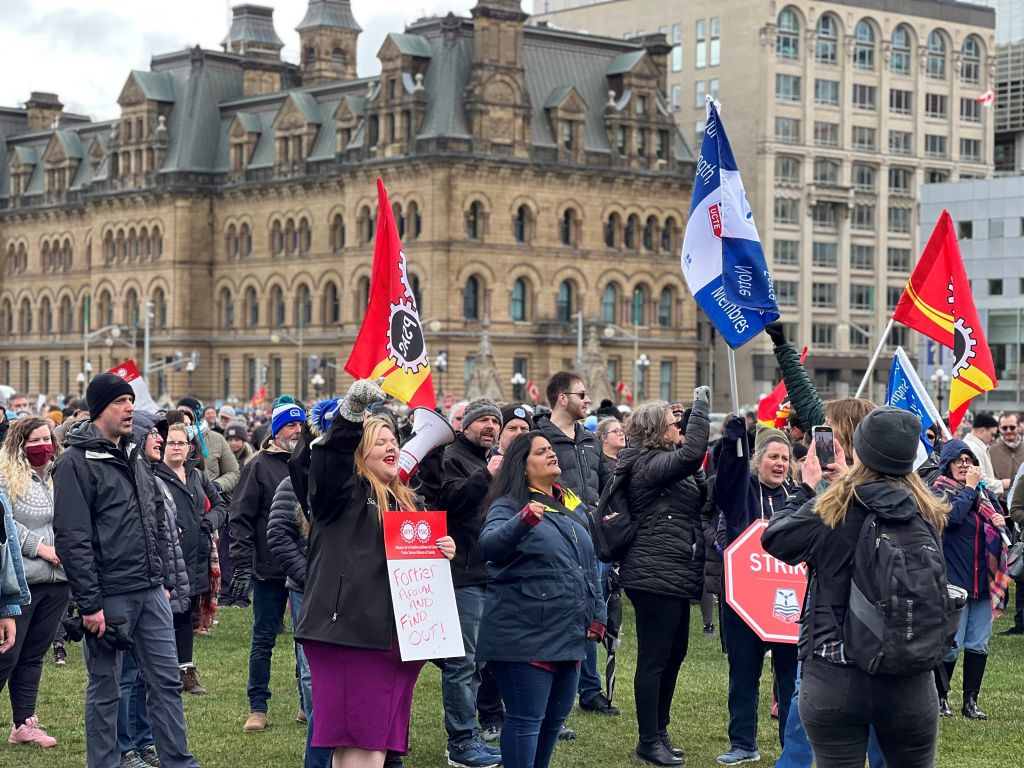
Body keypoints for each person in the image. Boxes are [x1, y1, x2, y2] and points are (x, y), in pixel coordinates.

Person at [762, 407, 947, 768]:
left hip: (835, 671)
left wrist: (805, 487)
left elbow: (776, 538)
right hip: (909, 672)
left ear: (858, 451)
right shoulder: (928, 511)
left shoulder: (833, 507)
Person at [296, 380, 455, 768]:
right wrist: (350, 415)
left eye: (393, 440)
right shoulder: (343, 493)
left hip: (394, 638)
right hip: (351, 634)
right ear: (358, 451)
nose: (391, 447)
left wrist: (439, 553)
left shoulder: (405, 502)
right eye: (380, 440)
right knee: (362, 745)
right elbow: (329, 460)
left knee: (374, 746)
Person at [52, 372, 200, 768]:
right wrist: (89, 604)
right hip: (109, 596)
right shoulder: (75, 463)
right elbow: (72, 538)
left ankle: (178, 761)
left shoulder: (135, 456)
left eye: (131, 401)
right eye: (120, 401)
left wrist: (164, 580)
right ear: (100, 408)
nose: (130, 408)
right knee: (106, 688)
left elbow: (153, 519)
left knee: (166, 683)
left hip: (151, 590)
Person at [476, 431, 606, 768]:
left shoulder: (569, 505)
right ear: (522, 466)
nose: (551, 454)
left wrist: (599, 616)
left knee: (552, 722)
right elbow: (490, 546)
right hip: (523, 633)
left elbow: (588, 566)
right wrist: (522, 521)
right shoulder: (509, 505)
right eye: (541, 451)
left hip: (567, 633)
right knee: (526, 720)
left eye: (551, 449)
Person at [617, 391, 710, 765]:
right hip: (653, 572)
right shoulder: (647, 462)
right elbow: (691, 456)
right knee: (655, 659)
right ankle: (648, 739)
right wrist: (701, 408)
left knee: (674, 655)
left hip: (673, 572)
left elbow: (700, 486)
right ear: (657, 430)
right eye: (674, 424)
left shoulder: (668, 462)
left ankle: (660, 730)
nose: (680, 428)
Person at [714, 418, 797, 765]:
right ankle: (743, 743)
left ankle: (791, 745)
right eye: (772, 456)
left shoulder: (796, 497)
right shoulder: (742, 492)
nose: (779, 463)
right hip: (744, 603)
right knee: (744, 674)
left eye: (785, 458)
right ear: (757, 460)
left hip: (788, 604)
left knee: (791, 680)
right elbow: (724, 487)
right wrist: (733, 444)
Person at [534, 372, 613, 717]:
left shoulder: (591, 440)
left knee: (592, 609)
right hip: (558, 537)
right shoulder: (541, 440)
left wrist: (609, 516)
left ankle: (590, 689)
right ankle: (556, 683)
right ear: (562, 398)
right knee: (562, 612)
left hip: (593, 537)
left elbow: (608, 484)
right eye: (582, 394)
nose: (587, 400)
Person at [118, 411, 191, 768]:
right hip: (136, 589)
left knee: (155, 679)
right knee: (128, 677)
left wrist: (166, 584)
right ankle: (125, 747)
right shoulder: (133, 477)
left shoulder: (153, 476)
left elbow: (164, 535)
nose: (161, 440)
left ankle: (146, 743)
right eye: (155, 435)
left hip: (158, 588)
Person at [229, 399, 306, 732]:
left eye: (301, 424)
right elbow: (241, 518)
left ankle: (308, 703)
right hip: (270, 568)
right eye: (290, 425)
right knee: (264, 640)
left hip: (306, 568)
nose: (297, 430)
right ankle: (257, 706)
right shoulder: (258, 466)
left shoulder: (312, 461)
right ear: (276, 431)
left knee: (307, 640)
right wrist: (244, 565)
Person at [438, 398, 504, 768]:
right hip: (462, 575)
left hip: (486, 572)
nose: (490, 426)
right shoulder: (452, 457)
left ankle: (472, 734)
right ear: (465, 425)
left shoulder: (483, 459)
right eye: (483, 420)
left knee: (478, 664)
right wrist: (487, 475)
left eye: (495, 420)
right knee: (462, 664)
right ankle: (461, 742)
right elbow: (447, 501)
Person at [0, 417, 69, 748]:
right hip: (22, 579)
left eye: (48, 438)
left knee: (32, 655)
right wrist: (40, 548)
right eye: (36, 439)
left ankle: (23, 723)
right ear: (20, 443)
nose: (44, 445)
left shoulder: (59, 475)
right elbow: (6, 522)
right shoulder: (7, 477)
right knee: (6, 655)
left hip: (57, 582)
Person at [931, 439, 1007, 720]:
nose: (965, 465)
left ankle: (970, 702)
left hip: (983, 581)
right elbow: (953, 518)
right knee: (951, 645)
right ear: (947, 466)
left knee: (978, 644)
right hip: (955, 581)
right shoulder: (938, 491)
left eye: (969, 460)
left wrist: (999, 519)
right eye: (958, 461)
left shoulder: (983, 496)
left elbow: (995, 520)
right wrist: (972, 488)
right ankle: (940, 697)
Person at [155, 421, 227, 695]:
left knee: (185, 616)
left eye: (181, 443)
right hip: (169, 558)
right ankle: (164, 673)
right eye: (171, 442)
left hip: (195, 557)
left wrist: (208, 522)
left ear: (189, 447)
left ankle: (186, 672)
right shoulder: (155, 475)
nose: (176, 447)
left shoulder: (196, 475)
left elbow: (221, 504)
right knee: (166, 617)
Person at [962, 413, 1003, 493]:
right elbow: (980, 479)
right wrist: (1001, 484)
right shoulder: (973, 448)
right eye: (993, 434)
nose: (993, 438)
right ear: (982, 430)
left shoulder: (976, 446)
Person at [989, 412, 1023, 505]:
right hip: (1000, 503)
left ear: (1019, 427)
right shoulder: (991, 451)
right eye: (1004, 428)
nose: (1008, 431)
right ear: (1000, 429)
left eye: (1012, 427)